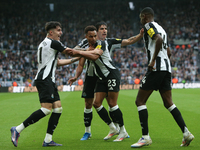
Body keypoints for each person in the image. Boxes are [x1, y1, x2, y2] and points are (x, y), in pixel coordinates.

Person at [9, 21, 94, 147]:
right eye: (58, 30)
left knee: (58, 108)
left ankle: (48, 140)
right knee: (46, 109)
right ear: (51, 32)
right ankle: (17, 129)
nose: (61, 32)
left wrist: (76, 58)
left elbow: (58, 62)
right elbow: (69, 51)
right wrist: (86, 52)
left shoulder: (44, 44)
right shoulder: (53, 42)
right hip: (45, 79)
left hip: (48, 79)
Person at [67, 23, 144, 141]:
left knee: (112, 103)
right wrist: (77, 73)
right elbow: (75, 52)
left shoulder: (103, 43)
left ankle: (122, 130)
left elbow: (94, 56)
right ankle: (112, 128)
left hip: (110, 74)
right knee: (95, 103)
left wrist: (140, 35)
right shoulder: (85, 42)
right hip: (98, 76)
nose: (104, 31)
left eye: (106, 29)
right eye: (101, 29)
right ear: (94, 33)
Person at [131, 7, 194, 148]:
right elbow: (169, 52)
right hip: (166, 69)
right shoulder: (162, 28)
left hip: (156, 68)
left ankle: (145, 137)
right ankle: (186, 133)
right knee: (168, 103)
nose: (140, 20)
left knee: (140, 101)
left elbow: (157, 39)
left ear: (146, 16)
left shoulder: (148, 26)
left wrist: (153, 60)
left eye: (141, 17)